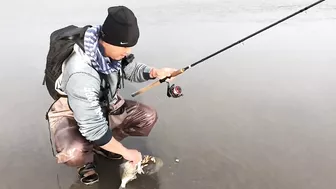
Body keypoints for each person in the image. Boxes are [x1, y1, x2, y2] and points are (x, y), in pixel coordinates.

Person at [45, 5, 176, 185]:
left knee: (147, 116)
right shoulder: (81, 74)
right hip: (71, 112)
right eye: (124, 48)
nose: (127, 52)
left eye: (130, 47)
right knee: (74, 151)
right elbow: (93, 128)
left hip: (106, 103)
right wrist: (126, 152)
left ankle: (105, 148)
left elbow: (130, 68)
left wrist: (155, 72)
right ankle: (86, 161)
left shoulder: (114, 51)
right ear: (105, 40)